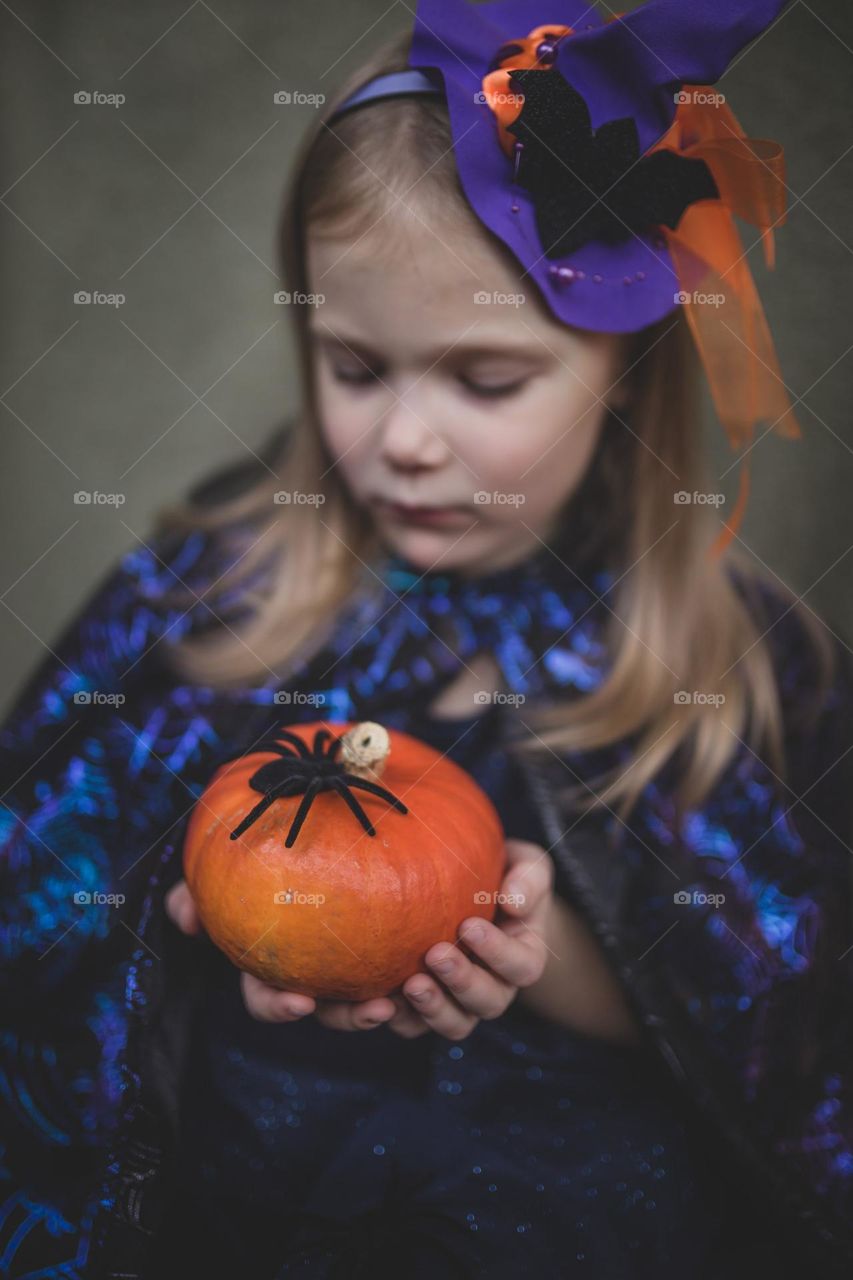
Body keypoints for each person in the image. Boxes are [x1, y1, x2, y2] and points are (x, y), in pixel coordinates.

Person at [2, 1, 852, 1276]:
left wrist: (520, 938)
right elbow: (45, 891)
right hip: (247, 1181)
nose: (405, 437)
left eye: (484, 379)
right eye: (354, 366)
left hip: (571, 1205)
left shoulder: (735, 663)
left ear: (622, 363)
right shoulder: (209, 598)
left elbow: (769, 1022)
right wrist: (191, 918)